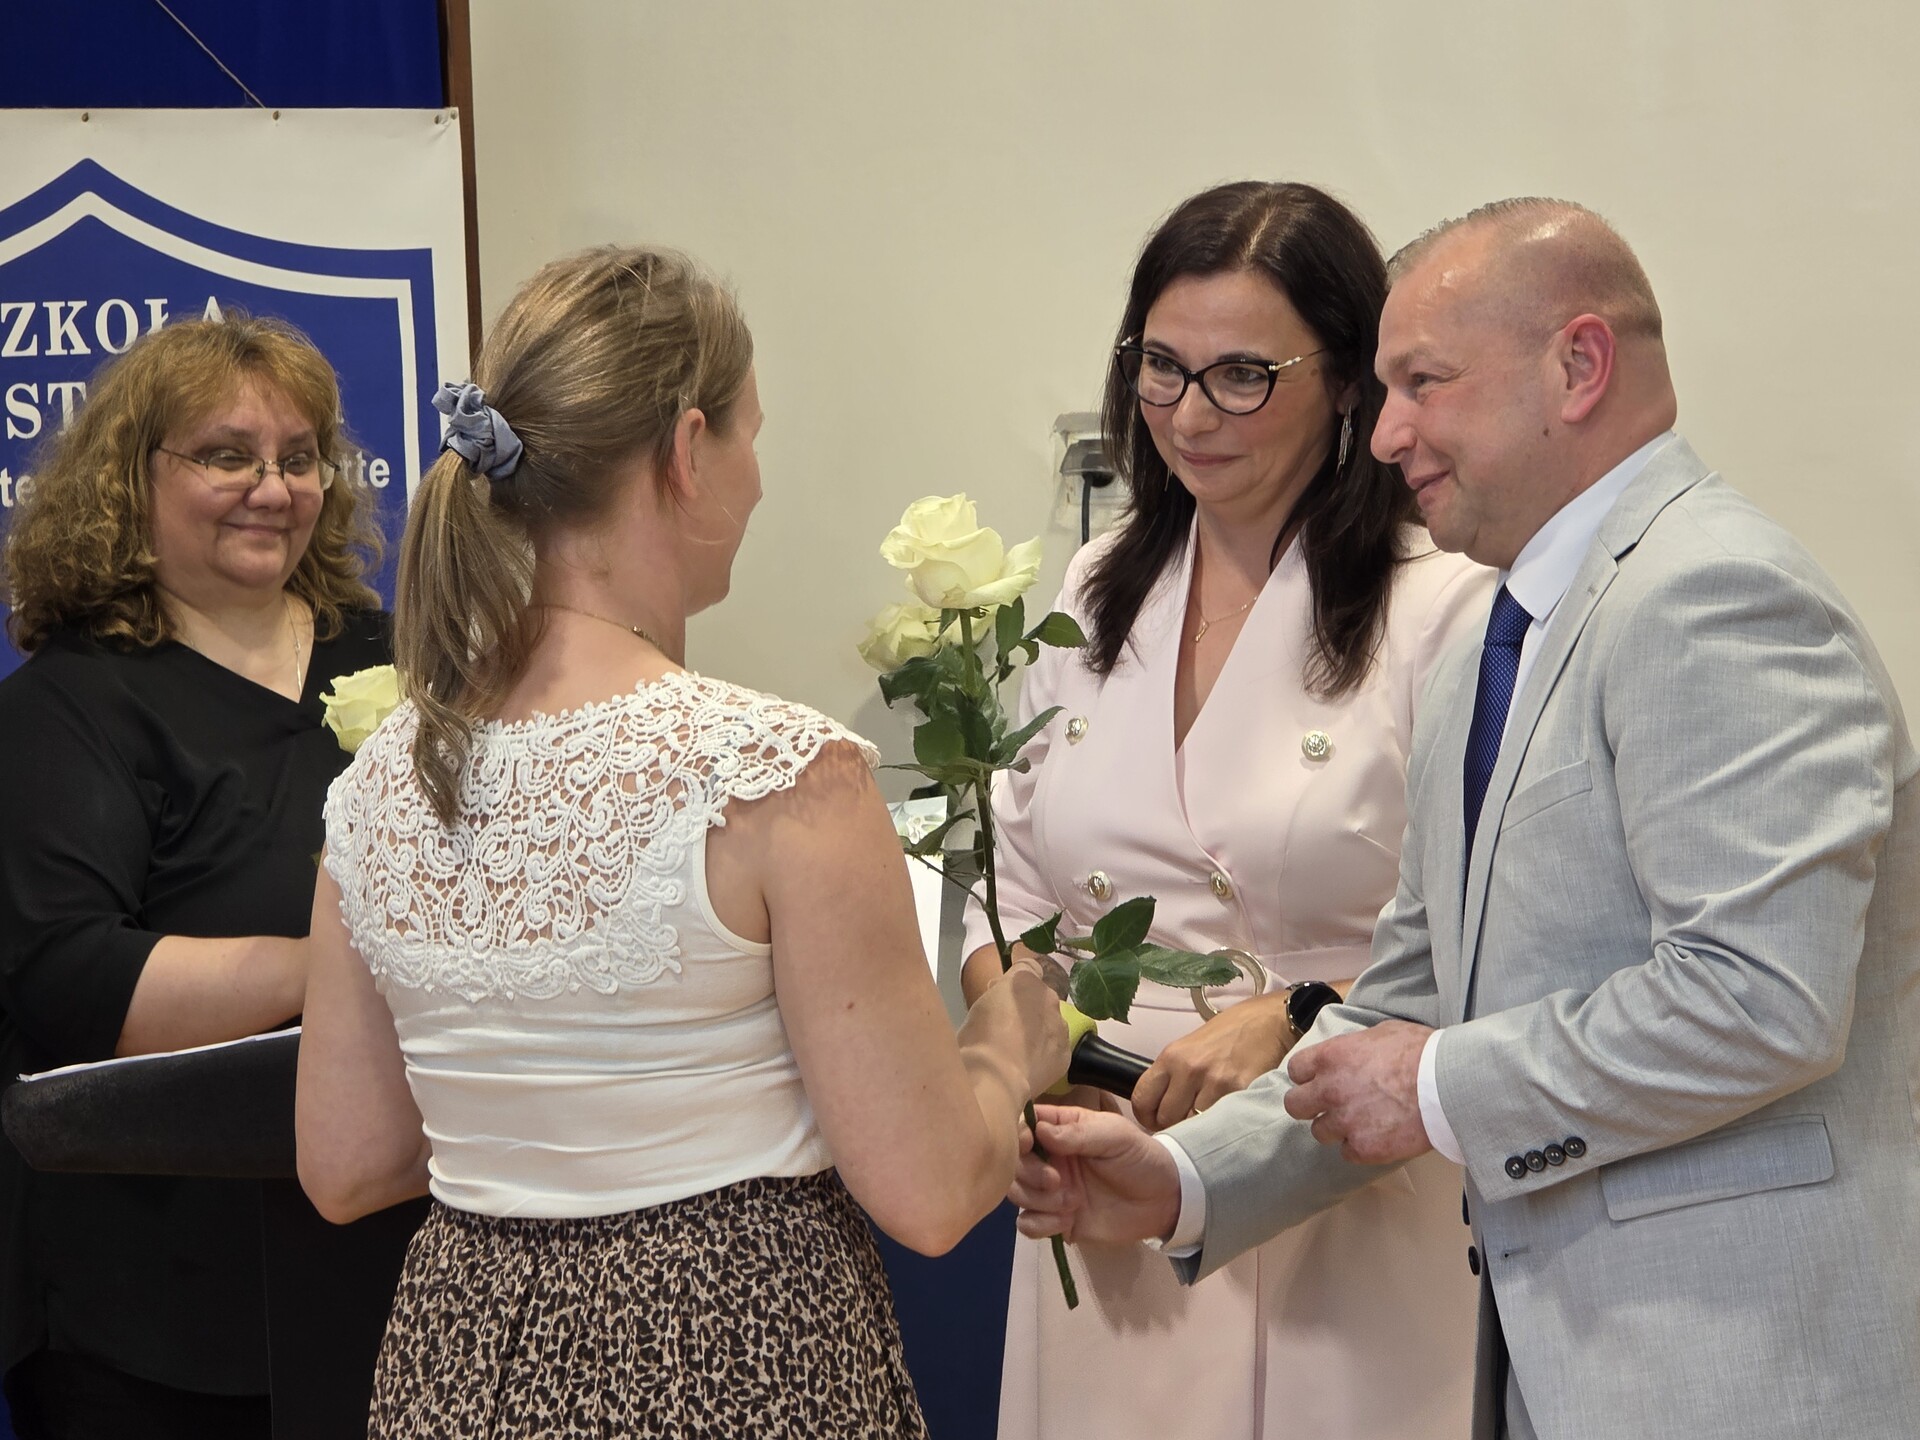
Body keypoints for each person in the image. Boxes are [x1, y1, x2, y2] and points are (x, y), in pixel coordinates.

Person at [1013, 198, 1920, 1440]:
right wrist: (1185, 1180)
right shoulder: (1506, 630)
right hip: (1556, 1355)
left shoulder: (1714, 593)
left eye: (1423, 384)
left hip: (1731, 1361)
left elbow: (1761, 998)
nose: (1385, 434)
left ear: (1579, 366)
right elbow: (1408, 998)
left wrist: (1436, 1083)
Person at [295, 245, 1069, 1439]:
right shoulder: (776, 774)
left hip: (464, 1352)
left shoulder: (383, 777)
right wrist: (1010, 1050)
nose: (757, 479)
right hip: (732, 1345)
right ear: (687, 449)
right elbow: (924, 1190)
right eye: (752, 436)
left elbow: (348, 1162)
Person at [958, 181, 1491, 1439]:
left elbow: (1495, 930)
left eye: (1244, 376)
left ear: (1349, 381)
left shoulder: (1443, 604)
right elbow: (1009, 878)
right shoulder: (1102, 579)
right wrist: (1026, 1036)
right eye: (1162, 367)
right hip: (1103, 1158)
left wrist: (1298, 1012)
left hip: (1334, 1163)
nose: (1190, 415)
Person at [0, 316, 404, 1437]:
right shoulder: (65, 707)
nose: (272, 489)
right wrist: (329, 967)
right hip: (152, 1297)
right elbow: (75, 981)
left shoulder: (401, 660)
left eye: (298, 457)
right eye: (228, 456)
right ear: (130, 480)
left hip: (392, 1252)